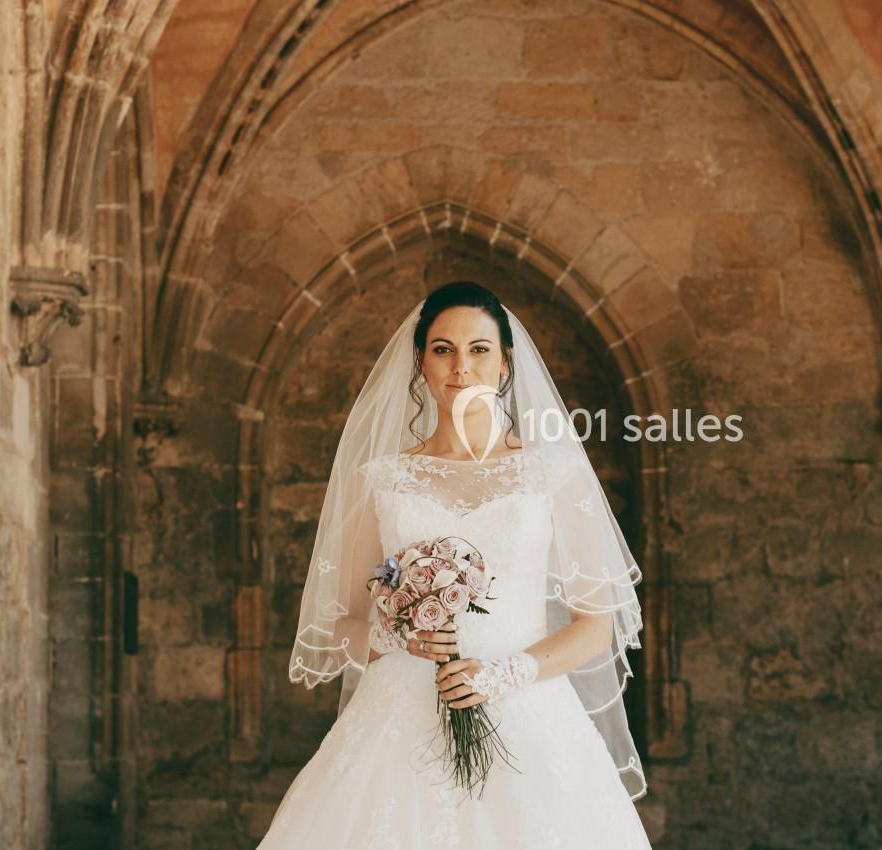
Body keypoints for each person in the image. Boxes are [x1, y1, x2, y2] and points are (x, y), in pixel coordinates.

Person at [259, 281, 651, 848]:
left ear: (505, 361)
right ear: (420, 362)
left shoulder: (550, 472)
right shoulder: (385, 481)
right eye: (443, 349)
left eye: (479, 350)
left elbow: (597, 627)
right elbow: (338, 623)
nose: (461, 367)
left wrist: (502, 675)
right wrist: (397, 637)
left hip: (528, 715)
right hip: (398, 720)